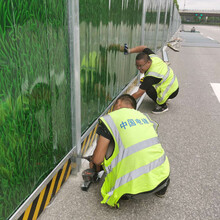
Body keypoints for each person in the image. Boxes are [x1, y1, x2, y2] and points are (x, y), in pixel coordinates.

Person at [90, 94, 170, 207]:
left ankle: (125, 193)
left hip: (131, 188)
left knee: (108, 143)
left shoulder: (111, 119)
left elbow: (98, 160)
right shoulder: (145, 117)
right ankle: (161, 185)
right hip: (162, 177)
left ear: (118, 103)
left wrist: (94, 162)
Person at [124, 45, 179, 114]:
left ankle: (163, 106)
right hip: (173, 85)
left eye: (141, 66)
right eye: (137, 65)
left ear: (148, 62)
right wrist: (129, 51)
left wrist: (124, 102)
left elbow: (139, 93)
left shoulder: (151, 76)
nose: (138, 68)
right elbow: (143, 47)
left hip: (172, 90)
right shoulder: (152, 56)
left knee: (148, 89)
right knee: (146, 84)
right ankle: (166, 97)